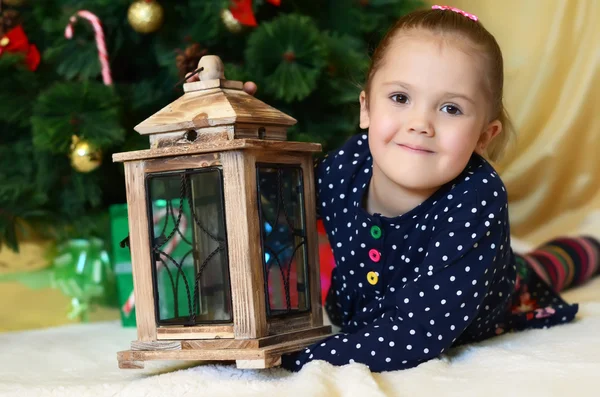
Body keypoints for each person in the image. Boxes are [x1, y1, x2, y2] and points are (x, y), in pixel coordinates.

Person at [187, 5, 600, 373]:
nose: (420, 123)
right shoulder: (348, 165)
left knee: (540, 270)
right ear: (366, 108)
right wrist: (234, 123)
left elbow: (419, 331)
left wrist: (308, 356)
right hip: (379, 306)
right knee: (526, 261)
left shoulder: (477, 196)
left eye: (450, 108)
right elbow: (274, 198)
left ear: (483, 137)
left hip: (491, 295)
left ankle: (588, 247)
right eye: (400, 97)